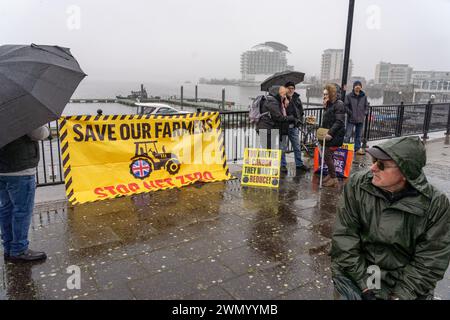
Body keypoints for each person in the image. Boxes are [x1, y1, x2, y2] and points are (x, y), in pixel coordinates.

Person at [330, 136, 450, 300]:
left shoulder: (435, 204)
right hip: (358, 274)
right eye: (374, 160)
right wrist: (367, 287)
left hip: (405, 283)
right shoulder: (357, 185)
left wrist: (400, 296)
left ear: (406, 172)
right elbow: (344, 237)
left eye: (381, 165)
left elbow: (430, 260)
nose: (373, 168)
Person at [0, 126, 50, 262]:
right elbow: (38, 133)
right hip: (20, 168)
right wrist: (45, 128)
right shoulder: (18, 110)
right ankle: (19, 250)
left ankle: (9, 248)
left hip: (1, 169)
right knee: (21, 211)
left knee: (6, 209)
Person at [279, 81, 310, 173]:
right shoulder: (281, 98)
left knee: (296, 146)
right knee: (282, 148)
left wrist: (299, 120)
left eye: (292, 88)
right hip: (283, 127)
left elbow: (301, 111)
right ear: (285, 89)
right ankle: (283, 165)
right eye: (289, 88)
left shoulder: (296, 98)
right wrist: (284, 102)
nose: (291, 90)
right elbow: (279, 112)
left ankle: (299, 164)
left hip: (294, 126)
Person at [256, 86, 297, 151]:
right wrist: (291, 117)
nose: (284, 96)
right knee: (268, 151)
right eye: (283, 94)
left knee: (268, 150)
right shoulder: (272, 102)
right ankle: (266, 161)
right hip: (267, 129)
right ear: (277, 93)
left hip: (267, 128)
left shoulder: (270, 100)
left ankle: (267, 160)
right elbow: (279, 117)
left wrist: (284, 104)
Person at [320, 84, 346, 187]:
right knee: (327, 155)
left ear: (331, 94)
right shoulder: (330, 104)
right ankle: (331, 175)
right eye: (323, 94)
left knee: (327, 155)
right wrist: (325, 107)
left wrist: (330, 133)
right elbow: (329, 118)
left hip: (335, 135)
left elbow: (339, 121)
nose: (324, 96)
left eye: (326, 94)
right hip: (330, 133)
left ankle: (334, 178)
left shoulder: (339, 104)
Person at [344, 80, 369, 155]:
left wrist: (364, 113)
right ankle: (345, 149)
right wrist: (350, 113)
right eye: (356, 86)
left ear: (361, 87)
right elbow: (345, 106)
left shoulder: (364, 96)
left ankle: (357, 149)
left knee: (358, 135)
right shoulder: (349, 96)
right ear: (354, 87)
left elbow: (366, 106)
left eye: (359, 86)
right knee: (347, 135)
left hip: (360, 119)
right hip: (351, 119)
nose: (357, 87)